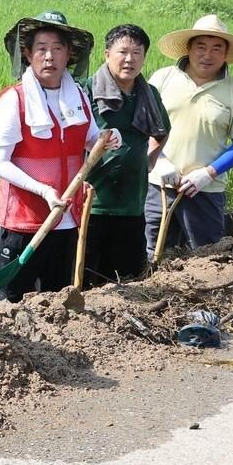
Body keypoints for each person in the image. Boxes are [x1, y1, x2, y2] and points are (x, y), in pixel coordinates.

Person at [0, 12, 121, 305]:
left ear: (69, 53)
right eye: (41, 48)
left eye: (57, 48)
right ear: (27, 53)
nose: (50, 56)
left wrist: (108, 139)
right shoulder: (15, 99)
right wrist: (43, 190)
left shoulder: (78, 97)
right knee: (11, 302)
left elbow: (91, 138)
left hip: (66, 218)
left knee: (57, 299)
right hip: (24, 221)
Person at [144, 14, 233, 255]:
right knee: (151, 254)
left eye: (217, 48)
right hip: (158, 185)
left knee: (206, 258)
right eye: (201, 47)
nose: (208, 55)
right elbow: (143, 125)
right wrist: (161, 160)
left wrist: (207, 174)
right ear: (189, 48)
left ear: (226, 54)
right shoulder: (162, 78)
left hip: (205, 191)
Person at [79, 24, 170, 284]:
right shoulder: (87, 91)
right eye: (123, 52)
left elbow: (162, 131)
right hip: (92, 206)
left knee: (127, 280)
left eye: (137, 53)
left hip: (132, 204)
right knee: (85, 279)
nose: (129, 59)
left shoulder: (148, 94)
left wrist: (149, 160)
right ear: (107, 54)